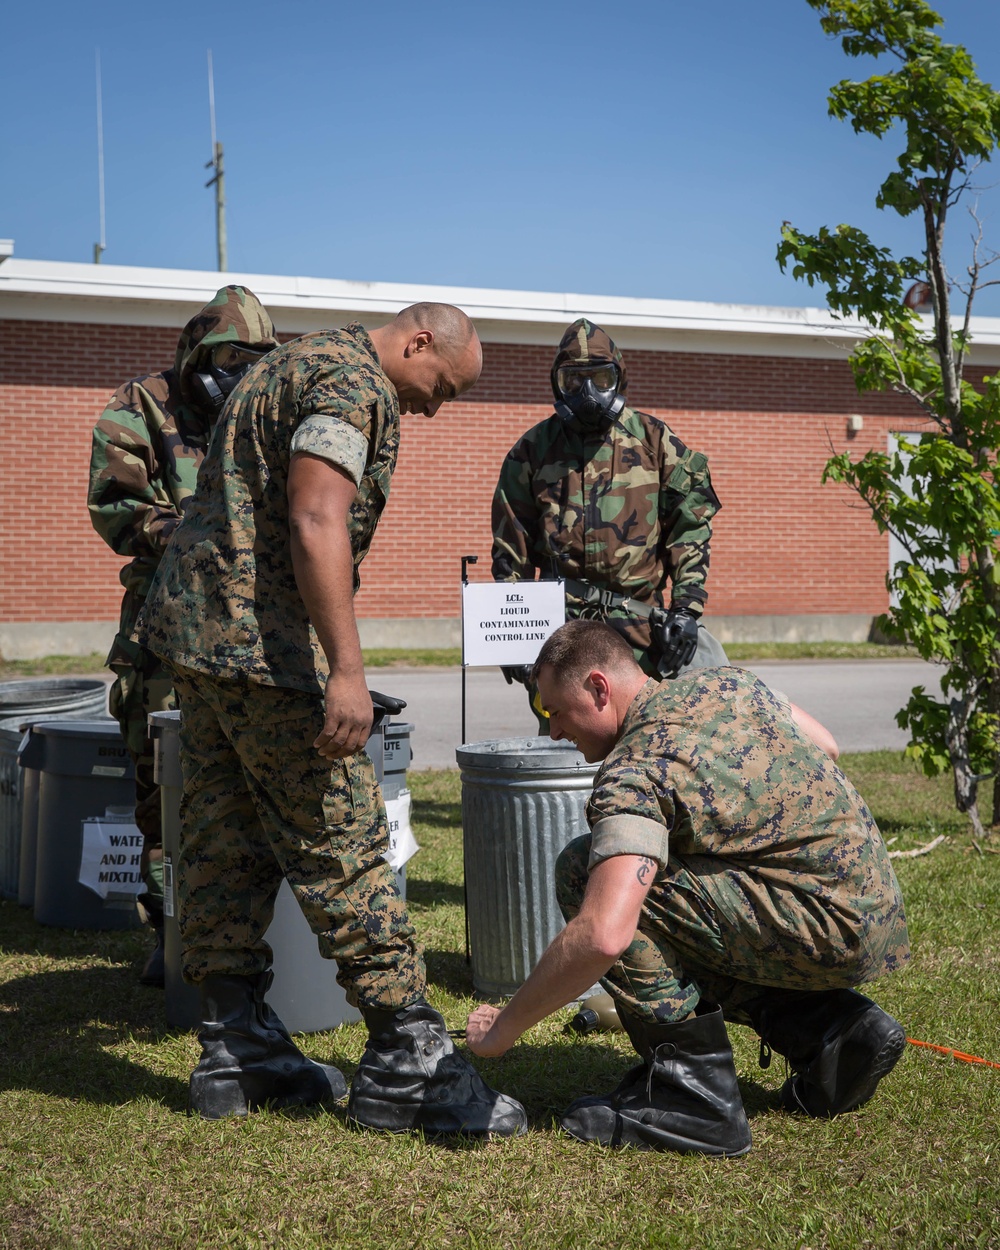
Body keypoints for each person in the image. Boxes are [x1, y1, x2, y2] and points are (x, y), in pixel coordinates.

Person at [135, 302, 526, 1136]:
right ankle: (406, 1060)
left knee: (222, 840)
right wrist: (345, 670)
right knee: (342, 841)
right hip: (265, 652)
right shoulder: (353, 384)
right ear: (419, 341)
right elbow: (317, 515)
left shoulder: (289, 363)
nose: (433, 407)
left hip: (198, 644)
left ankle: (234, 1044)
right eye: (441, 387)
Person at [466, 620, 909, 1156]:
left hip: (820, 923)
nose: (555, 730)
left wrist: (503, 1031)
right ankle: (835, 1030)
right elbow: (826, 747)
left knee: (587, 871)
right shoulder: (728, 683)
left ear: (599, 688)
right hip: (872, 908)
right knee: (677, 892)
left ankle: (691, 1099)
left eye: (554, 710)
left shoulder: (635, 768)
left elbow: (603, 935)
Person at [88, 285, 279, 986]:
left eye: (255, 362)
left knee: (242, 786)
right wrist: (201, 534)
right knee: (161, 788)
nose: (240, 376)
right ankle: (170, 934)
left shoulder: (264, 416)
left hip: (249, 626)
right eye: (229, 359)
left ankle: (237, 945)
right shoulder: (140, 405)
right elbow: (118, 506)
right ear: (196, 354)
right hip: (164, 626)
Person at [491, 318, 728, 722]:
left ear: (620, 379)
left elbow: (690, 528)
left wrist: (686, 611)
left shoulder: (655, 442)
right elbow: (511, 555)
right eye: (573, 381)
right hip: (563, 633)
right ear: (556, 383)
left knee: (659, 735)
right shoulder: (530, 453)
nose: (587, 393)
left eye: (600, 378)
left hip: (644, 630)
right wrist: (512, 638)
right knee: (567, 744)